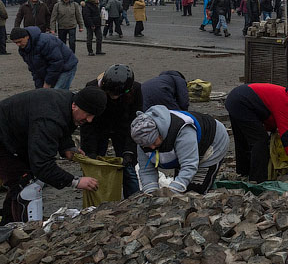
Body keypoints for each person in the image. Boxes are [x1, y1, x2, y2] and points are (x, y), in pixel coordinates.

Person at [0, 86, 107, 223]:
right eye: (88, 114)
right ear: (74, 105)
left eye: (93, 116)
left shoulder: (69, 104)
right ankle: (26, 234)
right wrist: (75, 181)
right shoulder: (49, 118)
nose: (90, 120)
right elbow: (42, 165)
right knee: (27, 186)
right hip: (4, 139)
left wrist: (67, 147)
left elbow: (63, 126)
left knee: (22, 182)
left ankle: (8, 225)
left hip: (17, 137)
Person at [130, 105, 230, 195]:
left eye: (154, 142)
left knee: (194, 191)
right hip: (183, 149)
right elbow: (146, 169)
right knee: (180, 188)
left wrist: (173, 191)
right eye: (147, 145)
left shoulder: (182, 130)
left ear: (160, 132)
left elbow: (189, 165)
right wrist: (151, 193)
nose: (152, 147)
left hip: (212, 143)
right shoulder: (142, 139)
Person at [225, 83, 288, 182]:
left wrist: (273, 130)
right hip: (242, 102)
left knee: (243, 138)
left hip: (236, 98)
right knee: (260, 141)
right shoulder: (286, 104)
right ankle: (257, 180)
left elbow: (269, 115)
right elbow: (287, 135)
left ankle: (243, 172)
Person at [81, 64, 144, 198]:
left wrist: (129, 151)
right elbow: (87, 125)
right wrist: (90, 152)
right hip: (99, 128)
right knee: (96, 166)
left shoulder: (136, 90)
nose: (114, 97)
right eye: (110, 94)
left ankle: (132, 202)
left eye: (118, 95)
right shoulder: (92, 88)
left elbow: (135, 122)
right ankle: (98, 200)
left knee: (129, 168)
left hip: (123, 129)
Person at [11, 26, 79, 90]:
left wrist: (47, 83)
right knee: (44, 94)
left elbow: (56, 63)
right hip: (52, 68)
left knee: (57, 93)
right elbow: (35, 70)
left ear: (27, 37)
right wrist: (39, 88)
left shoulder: (45, 42)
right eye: (15, 43)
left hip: (66, 66)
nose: (18, 45)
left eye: (19, 41)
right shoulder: (23, 50)